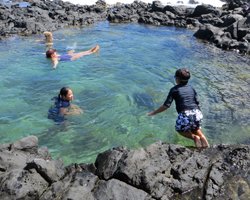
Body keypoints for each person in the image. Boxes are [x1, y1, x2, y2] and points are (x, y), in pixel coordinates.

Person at [148, 68, 209, 148]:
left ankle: (194, 137)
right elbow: (197, 102)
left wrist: (154, 112)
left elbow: (166, 105)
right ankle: (204, 141)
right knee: (195, 128)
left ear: (177, 79)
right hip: (197, 112)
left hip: (185, 114)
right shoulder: (191, 88)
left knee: (179, 130)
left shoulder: (174, 90)